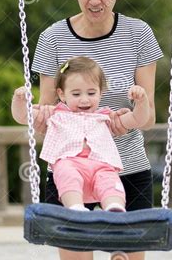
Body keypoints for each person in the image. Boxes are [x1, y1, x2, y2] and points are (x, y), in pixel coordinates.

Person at [30, 0, 163, 260]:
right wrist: (38, 119)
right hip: (68, 175)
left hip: (125, 170)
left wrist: (125, 122)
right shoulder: (53, 38)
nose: (94, 0)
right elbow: (45, 115)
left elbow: (149, 117)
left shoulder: (138, 34)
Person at [12, 57, 150, 213]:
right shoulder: (54, 115)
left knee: (109, 180)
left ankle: (114, 207)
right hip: (70, 163)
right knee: (66, 173)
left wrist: (141, 101)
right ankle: (75, 207)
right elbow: (23, 117)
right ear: (62, 94)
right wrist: (19, 100)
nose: (84, 99)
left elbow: (138, 119)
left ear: (100, 92)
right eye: (76, 94)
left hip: (101, 165)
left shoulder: (106, 118)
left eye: (91, 92)